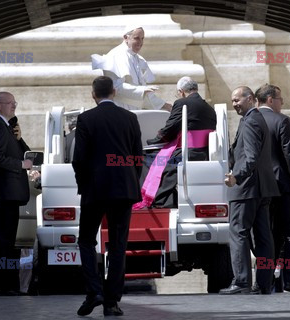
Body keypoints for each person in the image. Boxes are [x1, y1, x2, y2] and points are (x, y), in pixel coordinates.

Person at [72, 76, 142, 316]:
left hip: (95, 189)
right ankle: (112, 302)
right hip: (123, 190)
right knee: (118, 245)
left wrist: (84, 185)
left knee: (86, 240)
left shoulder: (86, 119)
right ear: (114, 92)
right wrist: (131, 182)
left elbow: (79, 159)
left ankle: (94, 291)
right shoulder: (130, 118)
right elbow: (137, 157)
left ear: (93, 94)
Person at [219, 86, 279, 295]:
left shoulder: (252, 120)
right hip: (260, 189)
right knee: (263, 237)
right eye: (232, 101)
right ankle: (263, 283)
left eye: (237, 100)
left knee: (239, 233)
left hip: (247, 189)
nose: (234, 104)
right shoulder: (254, 118)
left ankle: (242, 281)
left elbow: (251, 157)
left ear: (250, 98)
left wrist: (237, 176)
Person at [133, 76, 216, 209]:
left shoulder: (182, 102)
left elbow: (171, 127)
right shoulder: (209, 108)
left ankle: (159, 200)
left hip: (185, 152)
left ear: (181, 91)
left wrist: (155, 140)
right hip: (203, 152)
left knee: (145, 157)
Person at [256, 84, 290, 293]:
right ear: (270, 100)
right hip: (282, 185)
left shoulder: (249, 120)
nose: (282, 102)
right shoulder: (282, 121)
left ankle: (265, 280)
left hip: (259, 187)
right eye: (279, 98)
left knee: (265, 234)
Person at [0, 92, 32, 295]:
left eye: (15, 102)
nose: (14, 106)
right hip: (4, 193)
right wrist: (20, 164)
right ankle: (2, 284)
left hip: (10, 194)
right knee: (2, 242)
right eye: (10, 103)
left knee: (7, 240)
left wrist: (19, 139)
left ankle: (7, 284)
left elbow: (22, 150)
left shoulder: (6, 125)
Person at [91, 26, 172, 111]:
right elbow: (115, 87)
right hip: (120, 110)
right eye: (136, 38)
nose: (140, 42)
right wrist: (142, 90)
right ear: (126, 38)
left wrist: (163, 104)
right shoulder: (115, 56)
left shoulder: (138, 59)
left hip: (136, 111)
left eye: (142, 38)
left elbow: (143, 91)